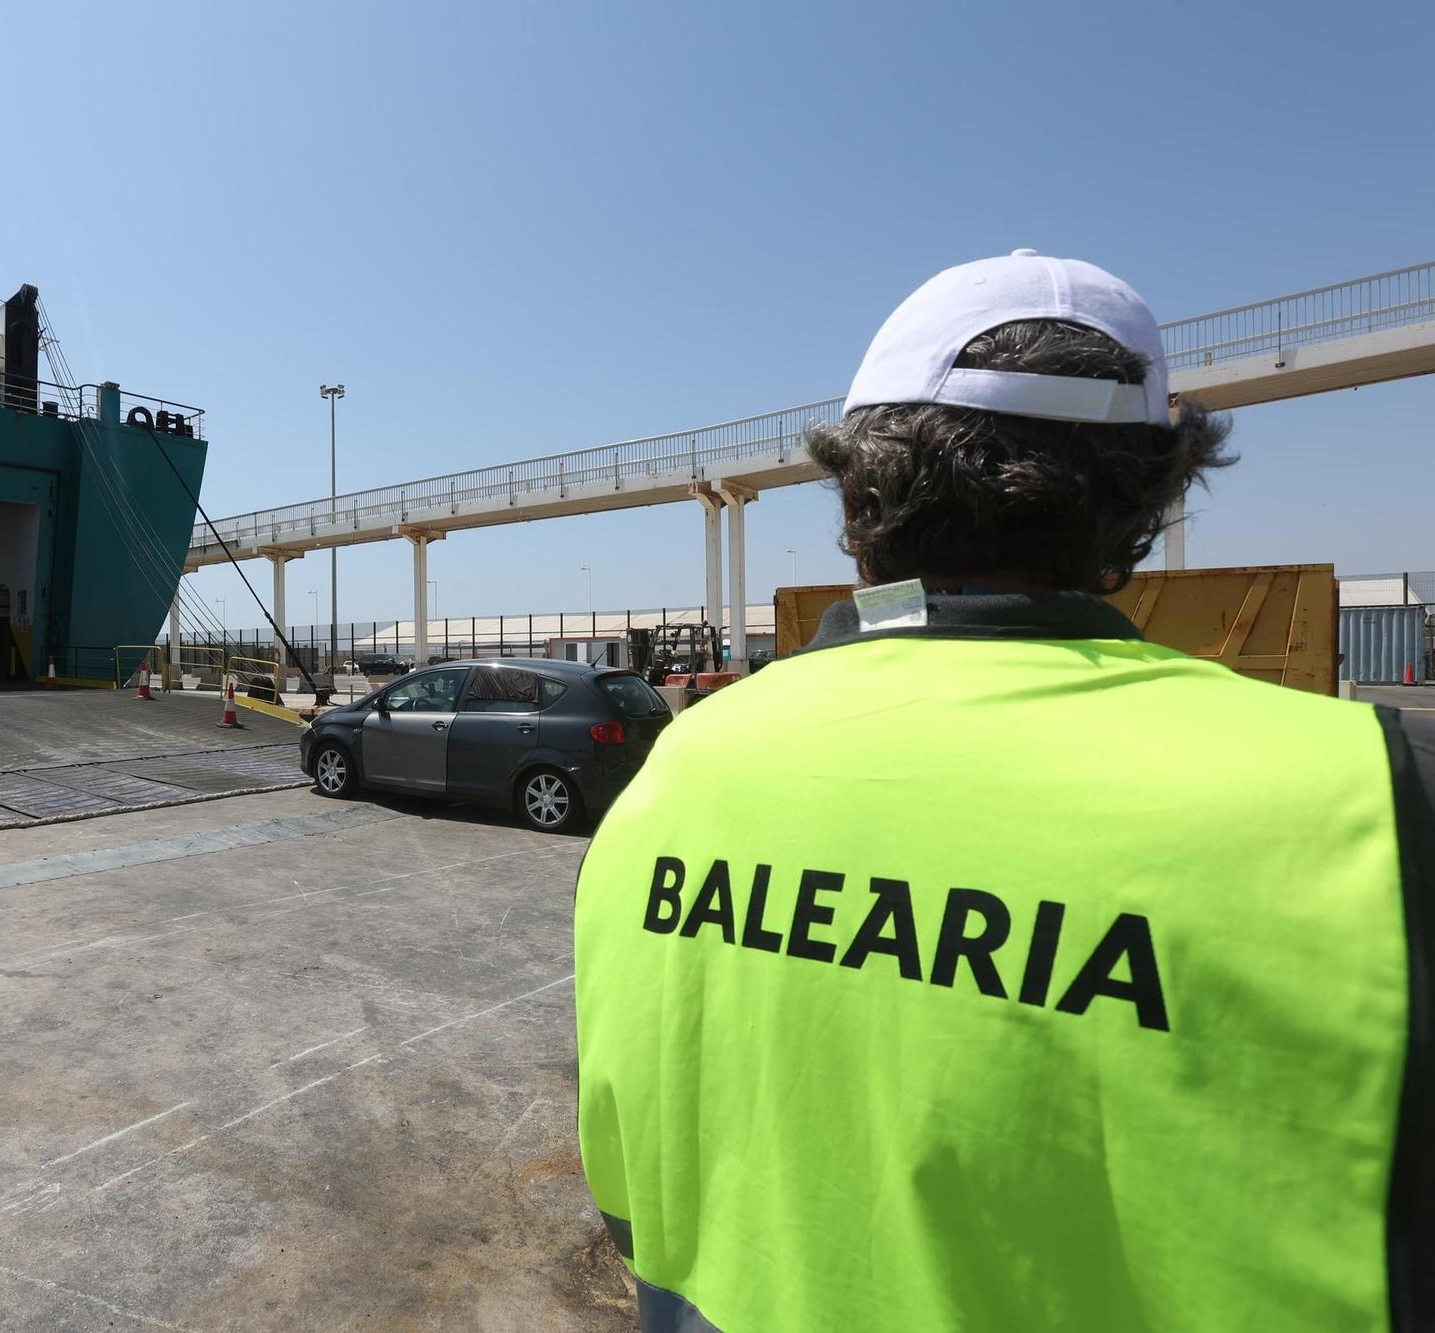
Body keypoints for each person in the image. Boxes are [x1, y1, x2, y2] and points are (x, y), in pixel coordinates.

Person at [574, 250, 1435, 1332]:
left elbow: (626, 1195)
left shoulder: (682, 769)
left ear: (856, 488)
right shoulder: (1365, 804)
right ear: (1149, 489)